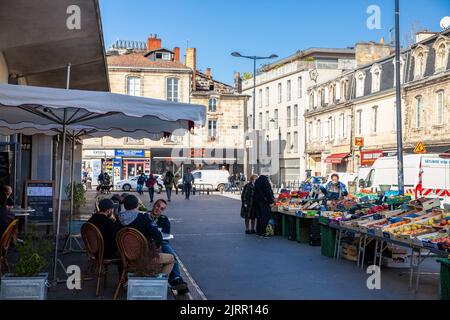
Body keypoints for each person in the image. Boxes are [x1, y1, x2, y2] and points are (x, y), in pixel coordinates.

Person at [113, 195, 174, 276]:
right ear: (137, 206)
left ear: (124, 205)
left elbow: (114, 237)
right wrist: (157, 246)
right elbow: (157, 235)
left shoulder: (118, 220)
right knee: (171, 259)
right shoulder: (144, 218)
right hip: (143, 258)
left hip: (124, 257)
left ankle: (124, 279)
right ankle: (159, 282)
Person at [148, 199, 189, 294]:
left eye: (162, 209)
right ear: (154, 205)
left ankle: (176, 278)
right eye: (157, 206)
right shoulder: (146, 216)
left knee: (170, 253)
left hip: (161, 242)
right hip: (147, 242)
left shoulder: (164, 219)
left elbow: (166, 234)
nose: (158, 209)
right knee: (170, 255)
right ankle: (174, 280)